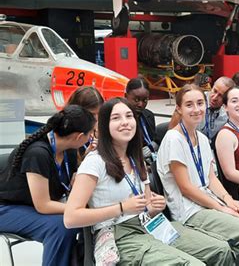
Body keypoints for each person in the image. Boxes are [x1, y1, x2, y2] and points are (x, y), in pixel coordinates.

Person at [64, 98, 218, 265]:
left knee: (218, 250)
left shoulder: (136, 158)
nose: (125, 122)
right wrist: (122, 208)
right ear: (104, 125)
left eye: (129, 116)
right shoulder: (95, 162)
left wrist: (153, 206)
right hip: (119, 235)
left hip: (148, 225)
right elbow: (71, 218)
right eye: (116, 118)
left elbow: (146, 209)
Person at [157, 84, 239, 265]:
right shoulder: (173, 139)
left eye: (199, 103)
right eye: (189, 105)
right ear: (179, 109)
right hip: (191, 210)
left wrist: (228, 200)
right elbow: (186, 188)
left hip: (211, 200)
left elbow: (211, 178)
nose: (196, 109)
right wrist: (221, 208)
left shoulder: (202, 139)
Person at [0, 105, 96, 266]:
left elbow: (70, 186)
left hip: (30, 206)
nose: (93, 136)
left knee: (85, 221)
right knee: (62, 225)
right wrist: (83, 210)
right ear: (79, 136)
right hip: (6, 208)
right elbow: (43, 206)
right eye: (91, 133)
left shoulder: (69, 150)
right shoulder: (37, 153)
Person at [125, 77, 159, 165]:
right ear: (126, 96)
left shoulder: (149, 116)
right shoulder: (119, 120)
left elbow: (153, 139)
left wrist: (154, 145)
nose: (140, 104)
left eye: (145, 100)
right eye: (136, 100)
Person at [67, 86, 104, 159]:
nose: (96, 119)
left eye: (99, 114)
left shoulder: (97, 131)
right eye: (91, 114)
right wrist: (86, 157)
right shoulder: (66, 135)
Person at [196, 76, 235, 140]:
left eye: (220, 96)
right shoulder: (196, 101)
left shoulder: (227, 115)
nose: (214, 98)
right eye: (215, 91)